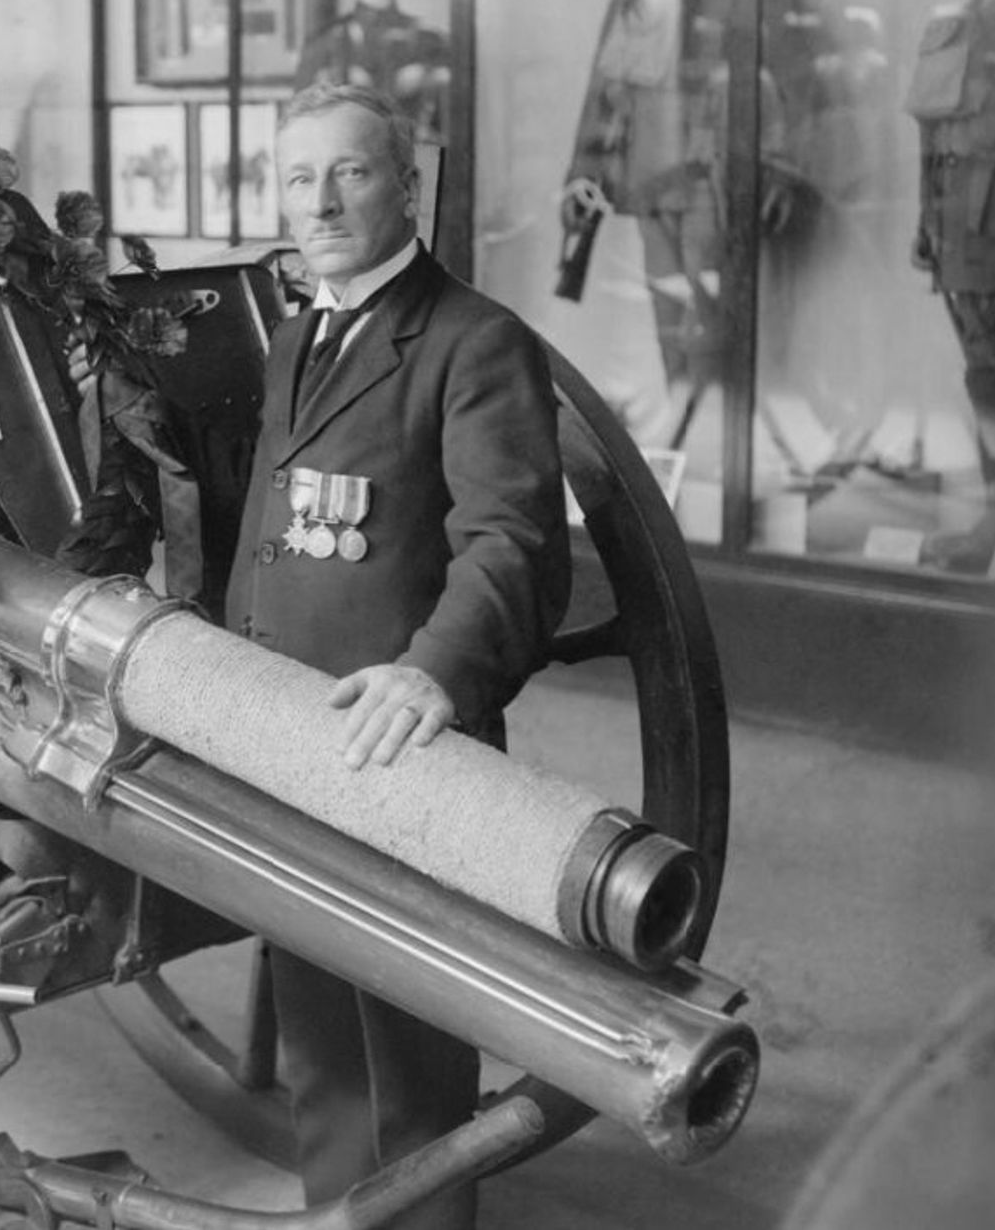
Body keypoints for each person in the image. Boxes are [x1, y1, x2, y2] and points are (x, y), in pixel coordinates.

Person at [224, 81, 571, 1228]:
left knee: (408, 1063)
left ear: (405, 187)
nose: (318, 201)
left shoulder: (474, 342)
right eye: (294, 177)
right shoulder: (296, 334)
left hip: (402, 746)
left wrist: (435, 672)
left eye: (350, 172)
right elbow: (270, 539)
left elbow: (511, 541)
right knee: (322, 1048)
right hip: (292, 735)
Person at [558, 0, 805, 447]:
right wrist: (581, 176)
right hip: (648, 188)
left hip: (713, 189)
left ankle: (724, 457)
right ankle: (692, 451)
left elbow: (794, 92)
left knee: (713, 326)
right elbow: (605, 97)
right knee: (672, 326)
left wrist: (785, 171)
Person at [906, 0, 995, 525]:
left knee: (994, 383)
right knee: (991, 382)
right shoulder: (958, 32)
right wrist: (926, 221)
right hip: (974, 239)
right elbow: (937, 135)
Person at [294, 0, 451, 143]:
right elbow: (303, 130)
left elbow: (446, 132)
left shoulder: (430, 42)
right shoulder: (327, 44)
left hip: (415, 165)